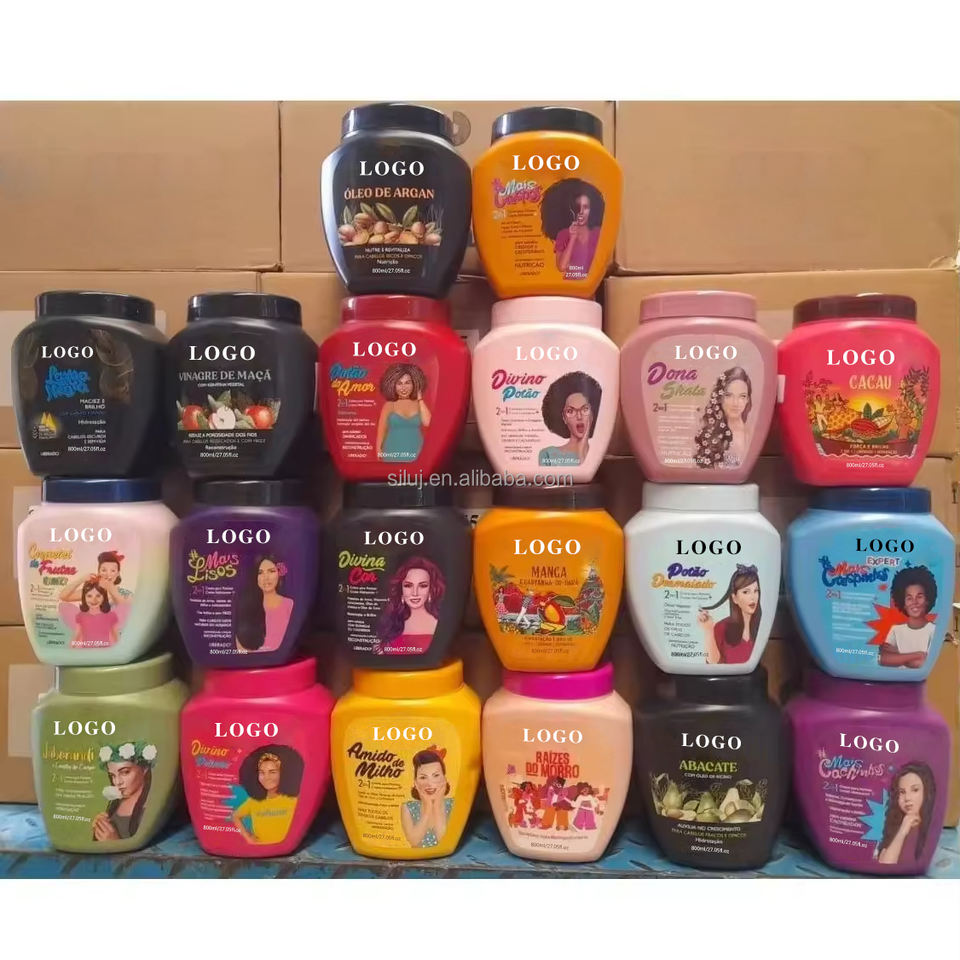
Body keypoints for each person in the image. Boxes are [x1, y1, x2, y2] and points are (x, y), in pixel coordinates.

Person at [232, 746, 303, 845]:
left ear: (284, 773)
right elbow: (236, 816)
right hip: (259, 848)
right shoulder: (253, 802)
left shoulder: (294, 800)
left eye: (272, 772)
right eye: (262, 772)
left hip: (285, 848)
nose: (266, 777)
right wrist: (247, 837)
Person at [375, 556, 445, 655]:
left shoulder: (442, 625)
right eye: (408, 585)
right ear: (401, 589)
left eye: (423, 586)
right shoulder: (390, 626)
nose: (415, 593)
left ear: (431, 589)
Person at [540, 179, 605, 280]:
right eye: (577, 207)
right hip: (572, 285)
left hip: (594, 283)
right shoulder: (563, 234)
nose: (581, 212)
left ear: (592, 209)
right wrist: (572, 238)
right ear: (570, 209)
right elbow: (562, 267)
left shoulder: (598, 233)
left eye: (585, 207)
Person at [697, 564, 762, 665]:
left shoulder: (763, 626)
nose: (753, 597)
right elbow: (713, 663)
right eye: (746, 592)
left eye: (756, 591)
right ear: (734, 598)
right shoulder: (722, 627)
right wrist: (708, 630)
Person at [93, 742, 155, 841]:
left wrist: (114, 842)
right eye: (113, 775)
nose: (117, 782)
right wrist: (100, 827)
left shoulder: (152, 807)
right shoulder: (114, 803)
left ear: (144, 769)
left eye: (125, 772)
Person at [538, 371, 603, 467]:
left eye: (585, 409)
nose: (579, 416)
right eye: (570, 411)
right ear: (564, 418)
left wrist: (583, 449)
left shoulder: (599, 453)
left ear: (593, 414)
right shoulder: (548, 455)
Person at [694, 367, 755, 469]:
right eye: (728, 395)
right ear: (720, 397)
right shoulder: (710, 434)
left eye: (742, 396)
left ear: (747, 399)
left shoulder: (753, 434)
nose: (735, 403)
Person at [877, 762, 936, 865]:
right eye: (902, 792)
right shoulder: (895, 826)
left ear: (926, 792)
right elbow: (886, 863)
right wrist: (903, 830)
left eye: (915, 790)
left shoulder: (932, 825)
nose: (907, 798)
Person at [879, 566, 938, 669]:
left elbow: (925, 664)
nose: (914, 602)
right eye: (909, 598)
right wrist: (919, 655)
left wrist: (897, 655)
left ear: (927, 600)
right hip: (897, 678)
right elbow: (883, 659)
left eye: (919, 596)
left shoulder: (934, 630)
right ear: (904, 603)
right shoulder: (895, 630)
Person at [234, 555, 294, 653]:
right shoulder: (248, 607)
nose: (266, 577)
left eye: (271, 571)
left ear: (279, 574)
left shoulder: (289, 605)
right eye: (260, 573)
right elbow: (240, 648)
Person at [400, 748, 453, 848]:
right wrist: (428, 807)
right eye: (423, 777)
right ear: (416, 782)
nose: (429, 783)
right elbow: (414, 841)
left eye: (436, 775)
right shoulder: (408, 808)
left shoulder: (454, 804)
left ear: (444, 778)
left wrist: (436, 805)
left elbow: (445, 841)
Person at [377, 364, 431, 462]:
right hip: (392, 452)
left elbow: (428, 422)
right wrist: (378, 450)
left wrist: (420, 399)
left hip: (416, 451)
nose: (403, 388)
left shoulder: (419, 404)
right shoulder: (389, 405)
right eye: (399, 383)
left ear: (415, 383)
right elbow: (381, 430)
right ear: (393, 385)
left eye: (407, 383)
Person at [72, 581, 119, 649]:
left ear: (104, 597)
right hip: (86, 652)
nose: (94, 600)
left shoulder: (111, 615)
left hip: (104, 651)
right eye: (89, 596)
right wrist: (70, 650)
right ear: (84, 598)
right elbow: (76, 636)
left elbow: (116, 637)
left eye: (98, 596)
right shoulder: (81, 616)